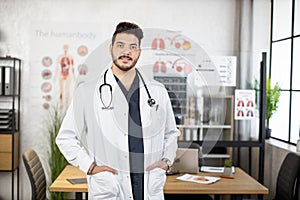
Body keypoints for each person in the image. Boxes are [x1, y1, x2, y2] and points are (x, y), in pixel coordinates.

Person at [56, 21, 180, 200]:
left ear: (139, 52)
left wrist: (166, 162)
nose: (126, 52)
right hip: (109, 187)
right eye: (120, 45)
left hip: (148, 187)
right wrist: (90, 167)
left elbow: (171, 133)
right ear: (111, 48)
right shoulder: (87, 92)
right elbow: (65, 138)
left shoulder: (157, 91)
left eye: (132, 47)